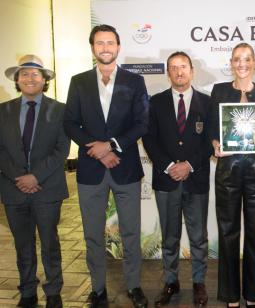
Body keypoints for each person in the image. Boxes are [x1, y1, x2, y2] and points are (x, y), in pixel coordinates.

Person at [63, 24, 149, 308]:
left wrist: (110, 145)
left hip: (125, 168)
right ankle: (97, 289)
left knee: (131, 233)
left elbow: (142, 123)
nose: (105, 48)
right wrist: (98, 151)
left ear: (118, 46)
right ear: (92, 48)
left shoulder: (135, 82)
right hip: (91, 171)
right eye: (99, 43)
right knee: (92, 234)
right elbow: (70, 123)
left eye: (110, 42)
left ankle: (134, 286)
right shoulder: (78, 81)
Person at [208, 42, 255, 308]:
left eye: (247, 59)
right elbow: (213, 130)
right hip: (227, 171)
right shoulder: (219, 91)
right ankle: (230, 295)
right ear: (231, 63)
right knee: (227, 233)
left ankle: (253, 294)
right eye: (237, 59)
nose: (242, 63)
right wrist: (214, 144)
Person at [142, 51, 211, 307]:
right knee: (169, 237)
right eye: (173, 67)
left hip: (196, 180)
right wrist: (171, 165)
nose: (179, 72)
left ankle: (199, 282)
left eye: (183, 67)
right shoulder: (155, 102)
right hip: (166, 180)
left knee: (198, 236)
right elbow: (148, 139)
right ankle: (170, 281)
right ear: (168, 72)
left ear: (192, 70)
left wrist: (189, 165)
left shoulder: (207, 102)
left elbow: (210, 142)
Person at [0, 55, 69, 308]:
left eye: (35, 74)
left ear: (45, 80)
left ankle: (53, 291)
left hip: (47, 189)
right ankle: (27, 290)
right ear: (17, 80)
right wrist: (19, 178)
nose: (30, 78)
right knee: (23, 245)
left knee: (50, 243)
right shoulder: (3, 111)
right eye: (24, 74)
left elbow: (61, 150)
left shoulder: (60, 110)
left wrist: (35, 177)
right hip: (13, 189)